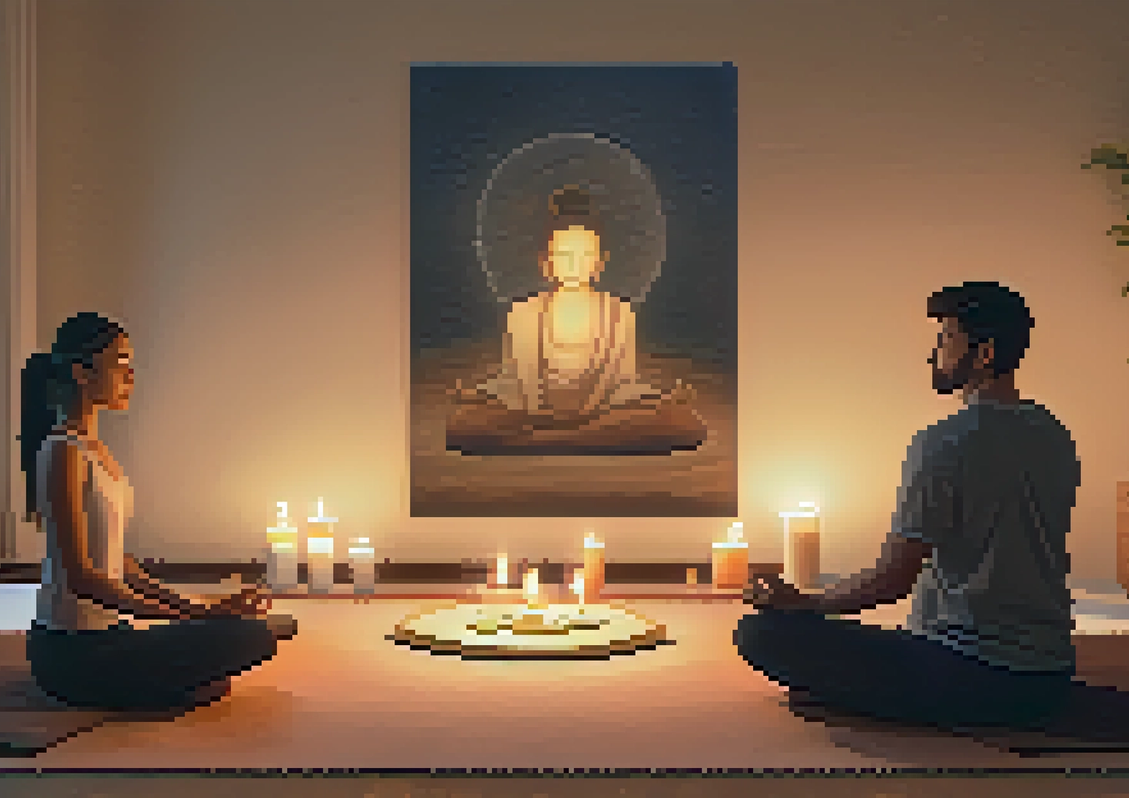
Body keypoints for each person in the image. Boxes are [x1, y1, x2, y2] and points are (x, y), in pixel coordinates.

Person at [736, 282, 1081, 731]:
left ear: (985, 353)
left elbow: (891, 581)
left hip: (970, 672)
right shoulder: (1055, 435)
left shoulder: (945, 442)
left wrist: (807, 603)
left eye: (946, 339)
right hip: (1051, 675)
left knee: (760, 634)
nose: (933, 353)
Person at [20, 312, 296, 712]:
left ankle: (165, 682)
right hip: (71, 650)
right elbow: (82, 578)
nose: (131, 376)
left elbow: (119, 565)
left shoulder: (96, 452)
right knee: (251, 638)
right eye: (121, 364)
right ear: (82, 372)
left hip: (113, 633)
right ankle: (154, 685)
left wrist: (204, 607)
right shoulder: (61, 451)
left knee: (247, 634)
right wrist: (189, 618)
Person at [444, 186, 708, 456]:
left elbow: (623, 385)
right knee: (462, 424)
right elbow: (511, 382)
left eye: (585, 255)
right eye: (564, 255)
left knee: (684, 423)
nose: (574, 264)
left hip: (600, 412)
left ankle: (539, 441)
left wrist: (659, 397)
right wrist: (479, 394)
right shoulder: (523, 314)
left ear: (600, 262)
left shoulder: (619, 313)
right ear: (546, 262)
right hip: (536, 412)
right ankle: (579, 438)